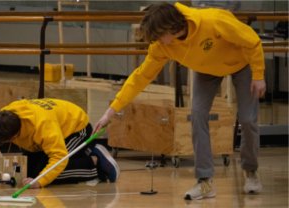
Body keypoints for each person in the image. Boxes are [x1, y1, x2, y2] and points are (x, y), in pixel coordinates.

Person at [94, 2, 265, 200]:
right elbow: (140, 78)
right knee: (198, 115)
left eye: (159, 36)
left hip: (242, 64)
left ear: (172, 27)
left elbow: (252, 41)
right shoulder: (162, 46)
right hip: (206, 70)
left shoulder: (213, 21)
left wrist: (258, 75)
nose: (158, 41)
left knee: (248, 119)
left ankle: (251, 171)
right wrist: (111, 112)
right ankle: (205, 181)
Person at [0, 98, 120, 188]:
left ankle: (95, 161)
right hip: (48, 134)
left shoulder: (43, 126)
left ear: (13, 137)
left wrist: (40, 182)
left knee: (42, 175)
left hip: (76, 128)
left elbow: (59, 157)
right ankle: (86, 156)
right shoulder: (2, 118)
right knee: (28, 172)